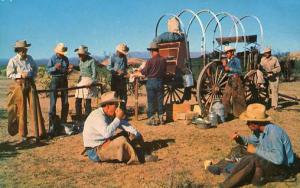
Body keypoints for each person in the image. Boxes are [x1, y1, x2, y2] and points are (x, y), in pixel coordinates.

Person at [220, 103, 295, 187]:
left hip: (282, 168)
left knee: (253, 159)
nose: (247, 124)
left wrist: (255, 150)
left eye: (248, 122)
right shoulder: (259, 130)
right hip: (270, 160)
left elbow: (278, 159)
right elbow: (251, 142)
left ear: (256, 123)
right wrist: (239, 138)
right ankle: (223, 167)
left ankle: (226, 184)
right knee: (240, 149)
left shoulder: (274, 133)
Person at [82, 91, 157, 164]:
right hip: (95, 151)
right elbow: (106, 134)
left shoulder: (109, 114)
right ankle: (140, 157)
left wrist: (137, 134)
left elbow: (125, 125)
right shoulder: (98, 116)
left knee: (129, 134)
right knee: (122, 141)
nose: (118, 107)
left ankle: (140, 151)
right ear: (108, 106)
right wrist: (118, 118)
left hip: (104, 143)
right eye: (116, 105)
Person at [7, 40, 46, 143]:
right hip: (19, 85)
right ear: (18, 50)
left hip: (30, 83)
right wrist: (20, 75)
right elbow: (9, 74)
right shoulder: (13, 60)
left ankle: (39, 132)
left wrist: (31, 74)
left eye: (25, 49)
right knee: (22, 109)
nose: (24, 51)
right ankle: (23, 134)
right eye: (22, 49)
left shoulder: (30, 58)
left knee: (35, 107)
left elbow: (36, 69)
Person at [138, 42, 166, 125]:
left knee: (150, 101)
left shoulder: (150, 61)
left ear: (152, 51)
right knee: (160, 100)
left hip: (151, 82)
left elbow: (145, 72)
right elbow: (164, 71)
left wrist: (140, 71)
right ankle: (161, 118)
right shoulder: (163, 60)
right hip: (160, 81)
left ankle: (151, 119)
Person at [47, 43, 72, 134]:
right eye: (61, 52)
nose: (62, 54)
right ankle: (52, 124)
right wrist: (54, 67)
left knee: (65, 101)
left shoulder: (66, 59)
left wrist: (69, 70)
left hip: (64, 79)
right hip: (55, 79)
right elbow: (48, 70)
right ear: (57, 52)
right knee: (53, 102)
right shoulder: (52, 58)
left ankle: (63, 122)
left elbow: (67, 71)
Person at [222, 46, 246, 119]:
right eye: (226, 53)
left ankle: (240, 114)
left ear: (232, 52)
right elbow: (226, 70)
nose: (227, 54)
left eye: (228, 53)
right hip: (230, 80)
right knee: (225, 96)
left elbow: (240, 71)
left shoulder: (236, 60)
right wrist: (224, 66)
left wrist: (230, 68)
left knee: (237, 97)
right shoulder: (228, 60)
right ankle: (227, 113)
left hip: (236, 79)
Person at [74, 45, 97, 119]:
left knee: (87, 100)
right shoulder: (80, 60)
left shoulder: (91, 61)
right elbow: (81, 69)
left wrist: (91, 83)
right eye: (78, 54)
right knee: (78, 99)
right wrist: (73, 67)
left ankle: (88, 118)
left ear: (85, 54)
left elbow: (94, 73)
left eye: (80, 54)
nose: (79, 56)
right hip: (81, 80)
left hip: (88, 81)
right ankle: (78, 116)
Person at [107, 43, 129, 112]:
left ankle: (123, 111)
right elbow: (109, 67)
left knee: (123, 96)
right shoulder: (112, 57)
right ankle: (114, 111)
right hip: (115, 79)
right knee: (115, 95)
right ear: (118, 51)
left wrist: (125, 71)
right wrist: (116, 71)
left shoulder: (124, 57)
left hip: (122, 79)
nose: (122, 54)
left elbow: (125, 67)